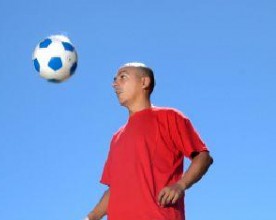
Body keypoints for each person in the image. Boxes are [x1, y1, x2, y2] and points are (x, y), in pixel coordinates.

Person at [86, 62, 213, 220]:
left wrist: (180, 185)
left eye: (123, 77)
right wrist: (90, 218)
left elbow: (203, 157)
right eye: (114, 79)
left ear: (144, 82)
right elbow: (115, 190)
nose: (115, 83)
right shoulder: (116, 138)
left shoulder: (170, 117)